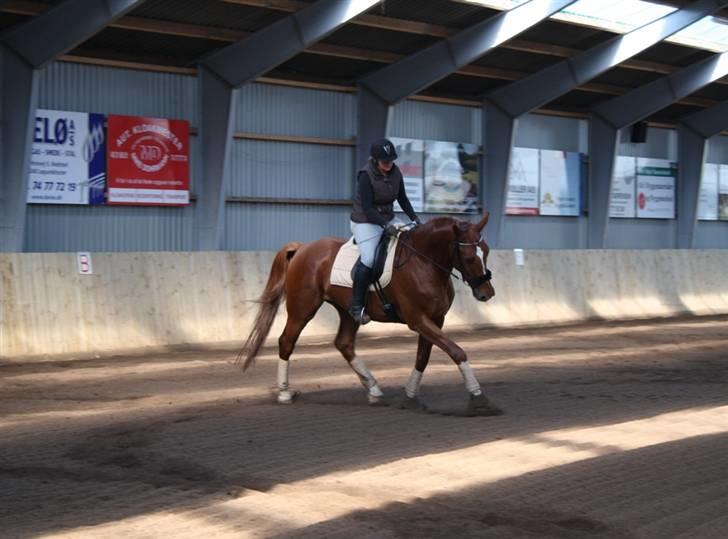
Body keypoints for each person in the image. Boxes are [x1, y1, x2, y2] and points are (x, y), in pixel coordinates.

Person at [349, 138, 421, 325]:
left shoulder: (396, 172)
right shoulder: (365, 175)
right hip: (365, 221)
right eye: (385, 161)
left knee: (410, 242)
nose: (388, 165)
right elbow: (367, 207)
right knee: (369, 259)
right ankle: (356, 307)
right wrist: (383, 224)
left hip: (388, 218)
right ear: (375, 160)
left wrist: (414, 219)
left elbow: (403, 199)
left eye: (391, 161)